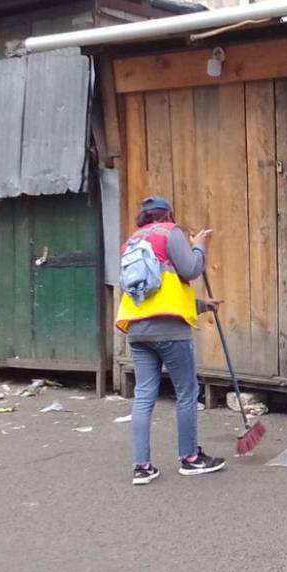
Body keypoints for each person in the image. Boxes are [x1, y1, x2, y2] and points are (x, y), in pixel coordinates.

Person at [115, 196, 225, 486]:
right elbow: (190, 270)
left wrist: (201, 305)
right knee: (186, 392)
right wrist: (200, 245)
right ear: (168, 214)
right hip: (171, 331)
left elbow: (157, 288)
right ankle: (190, 458)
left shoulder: (132, 241)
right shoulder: (170, 232)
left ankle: (142, 466)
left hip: (138, 330)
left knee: (144, 395)